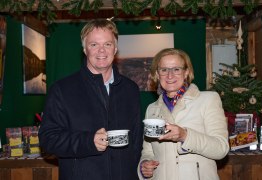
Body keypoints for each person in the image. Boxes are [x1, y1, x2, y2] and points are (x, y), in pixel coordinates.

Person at [39, 19, 143, 180]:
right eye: (94, 44)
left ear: (115, 48)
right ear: (85, 49)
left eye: (107, 44)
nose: (101, 51)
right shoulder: (62, 90)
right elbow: (48, 140)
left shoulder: (130, 89)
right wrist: (88, 141)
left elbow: (136, 141)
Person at [138, 48, 229, 180]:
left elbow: (221, 149)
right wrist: (144, 166)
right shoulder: (151, 109)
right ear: (157, 74)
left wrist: (185, 136)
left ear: (186, 72)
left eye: (176, 69)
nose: (170, 75)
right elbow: (148, 151)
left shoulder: (208, 100)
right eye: (164, 70)